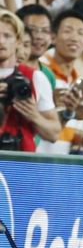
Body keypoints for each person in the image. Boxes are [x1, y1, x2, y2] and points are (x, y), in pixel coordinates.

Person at [0, 9, 60, 151]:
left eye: (7, 36)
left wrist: (33, 115)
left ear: (18, 41)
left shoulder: (35, 78)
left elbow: (53, 134)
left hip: (20, 165)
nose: (1, 41)